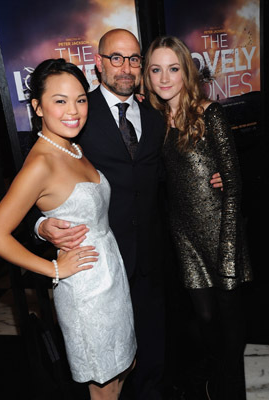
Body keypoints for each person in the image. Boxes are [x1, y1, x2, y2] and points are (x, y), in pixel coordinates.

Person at [31, 29, 223, 400]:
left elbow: (172, 172)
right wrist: (41, 226)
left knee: (151, 356)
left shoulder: (155, 116)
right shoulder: (75, 113)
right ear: (98, 62)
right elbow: (35, 187)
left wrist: (211, 176)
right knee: (107, 369)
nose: (126, 67)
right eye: (116, 58)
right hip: (98, 267)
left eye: (134, 59)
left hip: (151, 257)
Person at [0, 58, 137, 400]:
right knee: (104, 389)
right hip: (85, 292)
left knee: (124, 368)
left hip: (110, 277)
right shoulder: (40, 163)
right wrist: (53, 267)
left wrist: (41, 224)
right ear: (37, 106)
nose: (74, 110)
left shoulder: (73, 147)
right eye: (60, 100)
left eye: (81, 99)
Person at [143, 35, 253, 400]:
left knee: (231, 321)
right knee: (204, 319)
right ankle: (216, 377)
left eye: (173, 69)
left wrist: (228, 250)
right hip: (184, 236)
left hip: (223, 232)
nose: (164, 78)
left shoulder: (210, 114)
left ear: (186, 71)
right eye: (156, 69)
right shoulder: (156, 121)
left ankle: (232, 388)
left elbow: (234, 186)